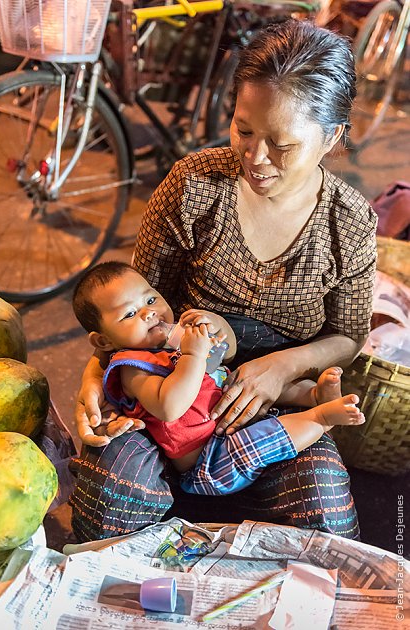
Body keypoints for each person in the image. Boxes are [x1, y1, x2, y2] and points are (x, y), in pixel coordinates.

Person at [70, 20, 377, 543]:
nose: (256, 157)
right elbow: (134, 302)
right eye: (244, 129)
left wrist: (280, 369)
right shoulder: (193, 185)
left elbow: (349, 334)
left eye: (282, 144)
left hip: (277, 407)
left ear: (331, 137)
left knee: (324, 513)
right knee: (112, 492)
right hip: (165, 397)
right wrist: (96, 376)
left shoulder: (349, 222)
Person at [72, 261, 364, 496]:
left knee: (246, 379)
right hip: (211, 459)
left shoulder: (170, 338)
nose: (150, 313)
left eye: (150, 299)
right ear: (103, 342)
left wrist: (216, 329)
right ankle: (321, 418)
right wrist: (193, 357)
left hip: (225, 409)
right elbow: (169, 407)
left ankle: (312, 395)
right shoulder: (132, 367)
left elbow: (223, 356)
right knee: (267, 438)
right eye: (130, 313)